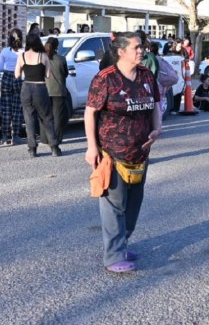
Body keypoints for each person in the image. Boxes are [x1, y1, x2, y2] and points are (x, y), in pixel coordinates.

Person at [84, 31, 161, 273]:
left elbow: (156, 104)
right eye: (136, 47)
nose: (141, 51)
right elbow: (90, 113)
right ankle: (114, 256)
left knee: (133, 206)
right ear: (121, 51)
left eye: (142, 47)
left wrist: (157, 128)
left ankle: (122, 243)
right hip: (113, 153)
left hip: (140, 154)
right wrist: (92, 147)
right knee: (114, 206)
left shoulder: (147, 76)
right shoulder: (105, 79)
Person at [15, 33, 61, 157]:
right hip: (40, 87)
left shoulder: (22, 56)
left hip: (26, 87)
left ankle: (32, 149)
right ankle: (54, 147)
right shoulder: (43, 56)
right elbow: (47, 75)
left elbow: (17, 75)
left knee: (29, 119)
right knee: (47, 117)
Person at [0, 29, 25, 145]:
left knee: (6, 108)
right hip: (18, 78)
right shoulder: (23, 52)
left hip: (6, 78)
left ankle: (4, 136)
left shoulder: (4, 51)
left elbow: (0, 68)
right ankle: (16, 135)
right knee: (17, 108)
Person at [43, 37, 70, 144]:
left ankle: (45, 138)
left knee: (45, 115)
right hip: (59, 90)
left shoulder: (43, 58)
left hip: (45, 90)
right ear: (57, 46)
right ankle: (57, 138)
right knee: (58, 116)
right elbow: (65, 74)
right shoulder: (61, 59)